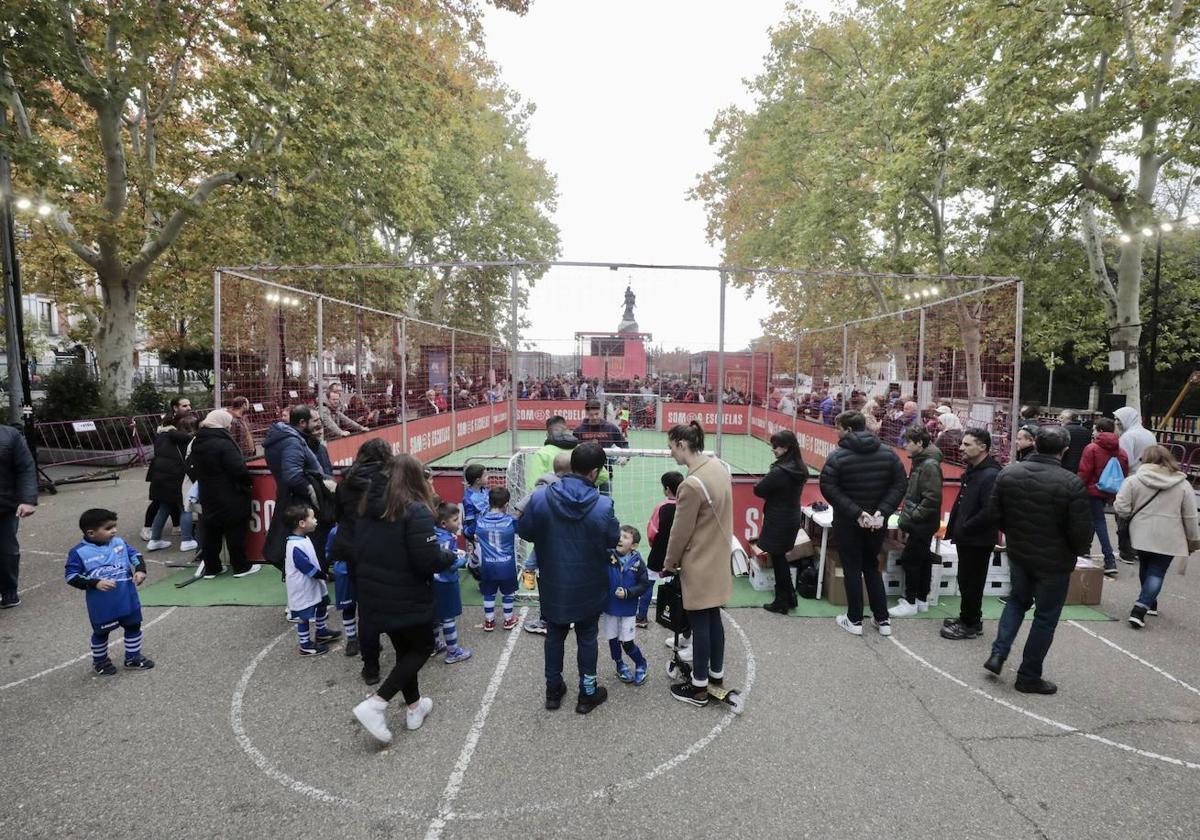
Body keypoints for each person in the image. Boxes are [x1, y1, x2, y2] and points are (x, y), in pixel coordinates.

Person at [352, 455, 455, 744]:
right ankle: (377, 703)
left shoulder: (369, 507)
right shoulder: (415, 511)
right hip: (405, 593)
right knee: (422, 647)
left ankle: (413, 708)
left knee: (404, 650)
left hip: (376, 592)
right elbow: (427, 560)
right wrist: (450, 557)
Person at [985, 426, 1093, 694]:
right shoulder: (1071, 483)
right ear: (1064, 450)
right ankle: (1029, 675)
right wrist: (1077, 550)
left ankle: (999, 652)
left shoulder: (1009, 473)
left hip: (1020, 551)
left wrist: (1013, 533)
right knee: (1045, 617)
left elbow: (995, 513)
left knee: (1017, 601)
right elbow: (1080, 530)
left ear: (1034, 445)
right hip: (1054, 560)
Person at [515, 441, 620, 714]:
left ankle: (553, 690)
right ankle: (587, 694)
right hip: (589, 583)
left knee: (555, 635)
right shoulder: (603, 504)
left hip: (553, 581)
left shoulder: (541, 497)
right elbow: (612, 539)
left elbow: (524, 530)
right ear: (594, 472)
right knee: (587, 637)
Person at [662, 422, 734, 708]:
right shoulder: (717, 467)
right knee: (713, 618)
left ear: (682, 444)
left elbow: (679, 533)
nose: (671, 454)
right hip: (718, 556)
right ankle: (715, 676)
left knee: (700, 622)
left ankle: (699, 687)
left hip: (700, 560)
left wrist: (669, 563)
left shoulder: (690, 485)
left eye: (671, 447)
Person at [819, 411, 907, 637]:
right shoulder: (888, 453)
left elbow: (828, 487)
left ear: (848, 429)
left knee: (852, 568)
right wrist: (881, 512)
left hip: (849, 522)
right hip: (876, 523)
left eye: (838, 427)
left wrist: (857, 513)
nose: (836, 431)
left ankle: (854, 619)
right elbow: (899, 485)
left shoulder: (838, 455)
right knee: (871, 566)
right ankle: (883, 619)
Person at [1113, 446, 1200, 628]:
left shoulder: (1133, 480)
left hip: (1141, 532)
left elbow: (1121, 506)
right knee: (1157, 571)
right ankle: (1141, 608)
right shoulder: (1182, 484)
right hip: (1170, 535)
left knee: (1146, 566)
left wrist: (1130, 516)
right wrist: (1193, 540)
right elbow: (1191, 515)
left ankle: (1149, 602)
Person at [65, 509, 153, 674]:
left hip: (127, 598)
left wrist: (141, 570)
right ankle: (100, 662)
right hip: (103, 604)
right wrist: (94, 583)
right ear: (91, 533)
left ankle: (133, 658)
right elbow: (71, 577)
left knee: (134, 626)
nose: (114, 530)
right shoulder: (79, 553)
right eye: (108, 528)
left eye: (115, 526)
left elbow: (135, 555)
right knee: (101, 633)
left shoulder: (119, 543)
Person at [331, 438, 393, 670]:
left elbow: (338, 515)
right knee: (385, 601)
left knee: (364, 604)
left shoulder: (345, 482)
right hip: (379, 547)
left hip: (352, 547)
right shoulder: (387, 482)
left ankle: (370, 664)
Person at [940, 428, 1002, 641]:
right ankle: (969, 618)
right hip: (967, 536)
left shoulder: (991, 475)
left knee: (972, 581)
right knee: (966, 580)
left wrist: (966, 526)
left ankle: (970, 624)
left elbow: (990, 511)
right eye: (962, 444)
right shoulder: (975, 470)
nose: (961, 448)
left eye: (967, 445)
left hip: (978, 539)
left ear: (982, 447)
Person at [186, 409, 257, 578]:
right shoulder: (223, 443)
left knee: (211, 531)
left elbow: (190, 466)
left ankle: (212, 567)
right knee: (235, 529)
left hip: (208, 493)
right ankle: (241, 566)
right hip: (230, 492)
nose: (230, 426)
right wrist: (247, 483)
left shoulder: (197, 442)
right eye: (229, 423)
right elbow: (237, 469)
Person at [262, 406, 332, 571]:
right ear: (302, 422)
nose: (318, 425)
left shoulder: (288, 438)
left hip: (292, 497)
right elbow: (293, 475)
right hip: (301, 500)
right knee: (311, 540)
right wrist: (314, 491)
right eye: (314, 420)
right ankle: (313, 574)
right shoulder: (293, 442)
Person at [514, 450, 573, 636]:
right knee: (546, 571)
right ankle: (560, 615)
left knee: (543, 576)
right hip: (562, 541)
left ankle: (547, 620)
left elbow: (521, 508)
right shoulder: (550, 486)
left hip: (549, 541)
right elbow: (524, 505)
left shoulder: (551, 485)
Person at [889, 427, 944, 618]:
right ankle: (921, 599)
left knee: (912, 560)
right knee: (923, 560)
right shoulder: (923, 462)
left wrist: (915, 515)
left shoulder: (929, 465)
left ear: (920, 443)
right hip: (923, 522)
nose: (905, 446)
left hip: (922, 523)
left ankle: (910, 601)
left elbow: (932, 497)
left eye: (908, 442)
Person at [754, 430, 808, 614]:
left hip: (778, 518)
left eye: (776, 446)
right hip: (790, 516)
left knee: (779, 560)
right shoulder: (799, 467)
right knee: (780, 558)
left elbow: (759, 490)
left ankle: (782, 600)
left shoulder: (780, 471)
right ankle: (790, 597)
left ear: (787, 448)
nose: (774, 450)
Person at [283, 504, 339, 656]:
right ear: (302, 523)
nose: (316, 521)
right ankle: (305, 645)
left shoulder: (303, 538)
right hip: (303, 588)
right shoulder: (295, 546)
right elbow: (308, 569)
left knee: (321, 604)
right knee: (304, 617)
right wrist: (325, 576)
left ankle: (321, 631)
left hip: (313, 585)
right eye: (312, 518)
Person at [1077, 417, 1129, 577]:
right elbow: (1124, 471)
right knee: (1095, 519)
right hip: (1110, 490)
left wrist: (1078, 487)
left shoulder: (1092, 448)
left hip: (1092, 490)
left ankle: (1108, 558)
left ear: (1099, 430)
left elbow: (1085, 472)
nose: (1092, 432)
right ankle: (1086, 550)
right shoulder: (1121, 451)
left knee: (1098, 522)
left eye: (1094, 429)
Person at [603, 525, 650, 686]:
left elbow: (644, 585)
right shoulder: (608, 555)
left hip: (628, 610)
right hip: (610, 608)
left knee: (627, 642)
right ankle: (619, 665)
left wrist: (629, 593)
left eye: (625, 537)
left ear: (634, 545)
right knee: (613, 639)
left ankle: (641, 663)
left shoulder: (638, 563)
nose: (620, 539)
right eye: (619, 536)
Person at [145, 415, 197, 552]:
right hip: (177, 479)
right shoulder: (186, 439)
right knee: (185, 508)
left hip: (160, 479)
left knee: (163, 508)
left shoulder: (162, 436)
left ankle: (154, 539)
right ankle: (187, 540)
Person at [0, 423, 38, 608]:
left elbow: (25, 468)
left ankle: (8, 590)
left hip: (4, 506)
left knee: (6, 551)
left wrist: (27, 500)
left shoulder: (9, 436)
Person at [1114, 406, 1157, 564]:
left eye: (1118, 420)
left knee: (1124, 515)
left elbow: (1125, 460)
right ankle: (1139, 549)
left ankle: (1127, 552)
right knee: (1141, 516)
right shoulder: (1149, 434)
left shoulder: (1128, 436)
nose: (1117, 423)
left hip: (1132, 479)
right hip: (1150, 477)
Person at [640, 471, 684, 627]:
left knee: (648, 584)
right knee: (676, 586)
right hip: (678, 556)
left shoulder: (661, 507)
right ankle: (674, 617)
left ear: (666, 489)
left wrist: (655, 546)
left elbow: (652, 532)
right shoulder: (685, 506)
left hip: (658, 554)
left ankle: (642, 617)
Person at [432, 502, 472, 664]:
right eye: (455, 520)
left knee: (435, 617)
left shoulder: (433, 535)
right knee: (448, 618)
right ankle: (453, 652)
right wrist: (463, 560)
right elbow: (449, 563)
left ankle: (433, 645)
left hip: (433, 581)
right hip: (446, 582)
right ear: (444, 523)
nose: (458, 523)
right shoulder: (448, 539)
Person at [476, 487, 519, 632]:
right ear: (506, 504)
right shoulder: (511, 521)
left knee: (489, 593)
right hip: (506, 565)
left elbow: (468, 531)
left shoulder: (480, 521)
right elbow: (523, 530)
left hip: (487, 565)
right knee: (508, 593)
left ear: (489, 502)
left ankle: (489, 621)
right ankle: (508, 620)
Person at [573, 399, 629, 494]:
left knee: (605, 503)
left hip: (606, 474)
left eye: (597, 414)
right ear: (586, 412)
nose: (594, 417)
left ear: (601, 412)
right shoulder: (579, 430)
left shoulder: (610, 427)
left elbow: (624, 445)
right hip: (584, 476)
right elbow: (572, 451)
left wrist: (625, 458)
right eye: (591, 415)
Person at [460, 464, 489, 566]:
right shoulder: (468, 499)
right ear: (478, 480)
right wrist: (472, 535)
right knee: (480, 563)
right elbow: (470, 522)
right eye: (485, 475)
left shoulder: (485, 490)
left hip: (487, 530)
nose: (488, 477)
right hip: (477, 535)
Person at [1058, 409, 1090, 474]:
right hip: (1080, 465)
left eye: (1061, 417)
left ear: (1068, 419)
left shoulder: (1062, 430)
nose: (1059, 420)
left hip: (1064, 465)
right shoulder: (1086, 431)